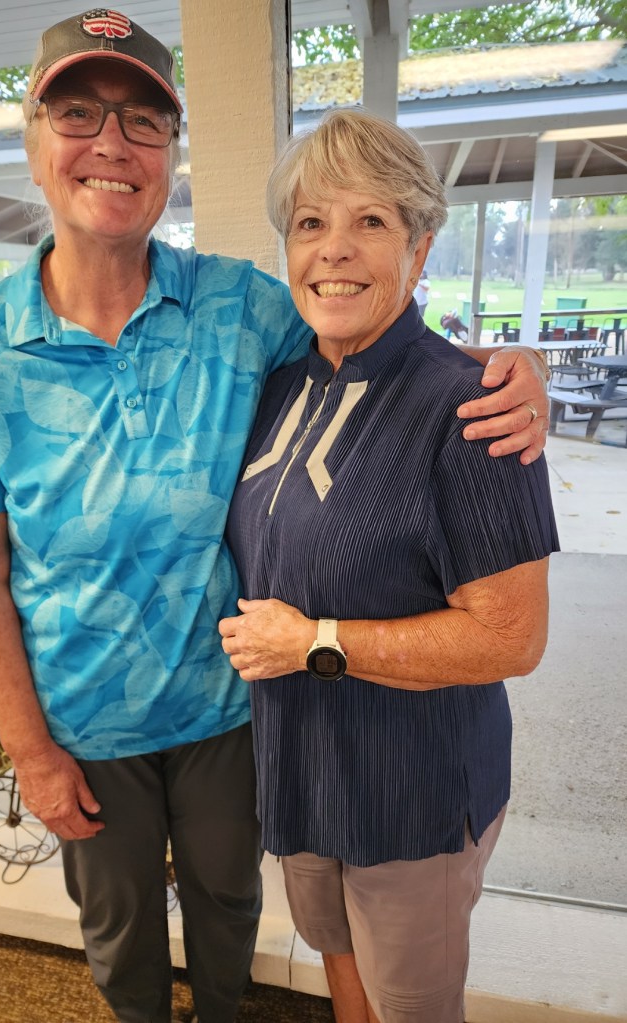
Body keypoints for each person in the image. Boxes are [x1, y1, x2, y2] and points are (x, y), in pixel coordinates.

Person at [0, 10, 551, 1023]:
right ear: (33, 145)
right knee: (120, 928)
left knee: (230, 909)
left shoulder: (240, 306)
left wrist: (515, 369)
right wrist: (30, 750)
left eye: (142, 122)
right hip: (86, 717)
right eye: (77, 114)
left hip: (237, 710)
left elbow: (370, 322)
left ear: (170, 156)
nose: (111, 144)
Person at [219, 109, 558, 1023]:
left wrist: (314, 641)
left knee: (412, 1003)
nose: (334, 249)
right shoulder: (279, 387)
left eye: (370, 220)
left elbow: (512, 638)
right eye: (310, 222)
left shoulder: (473, 411)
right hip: (302, 768)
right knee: (337, 961)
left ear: (420, 245)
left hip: (412, 793)